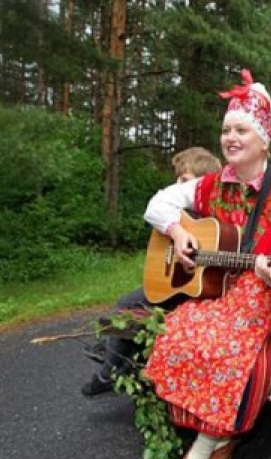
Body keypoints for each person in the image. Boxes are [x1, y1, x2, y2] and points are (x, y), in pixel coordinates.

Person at [141, 70, 271, 459]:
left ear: (264, 139)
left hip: (265, 293)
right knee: (179, 333)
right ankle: (217, 434)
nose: (231, 137)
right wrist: (179, 231)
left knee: (229, 340)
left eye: (241, 129)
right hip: (217, 291)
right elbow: (157, 203)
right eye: (226, 130)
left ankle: (204, 446)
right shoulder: (211, 185)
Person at [81, 146, 222, 398]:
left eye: (185, 180)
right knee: (129, 305)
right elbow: (156, 210)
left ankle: (109, 372)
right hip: (178, 285)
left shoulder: (212, 216)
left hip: (200, 291)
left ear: (202, 181)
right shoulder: (183, 214)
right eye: (178, 179)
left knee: (129, 305)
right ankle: (117, 367)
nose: (177, 185)